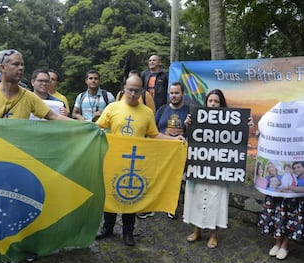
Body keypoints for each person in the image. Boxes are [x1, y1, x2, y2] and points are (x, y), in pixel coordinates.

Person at [94, 75, 184, 246]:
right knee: (111, 193)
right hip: (113, 160)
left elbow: (154, 134)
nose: (133, 94)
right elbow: (97, 128)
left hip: (135, 162)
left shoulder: (147, 113)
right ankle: (108, 228)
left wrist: (174, 140)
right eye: (130, 90)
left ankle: (128, 232)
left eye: (137, 90)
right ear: (124, 88)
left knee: (131, 196)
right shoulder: (112, 108)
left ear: (142, 91)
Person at [183, 89, 254, 249]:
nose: (213, 104)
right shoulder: (197, 118)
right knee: (197, 199)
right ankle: (197, 230)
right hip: (200, 168)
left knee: (217, 201)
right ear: (206, 103)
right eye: (210, 101)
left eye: (216, 101)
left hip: (219, 170)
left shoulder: (229, 121)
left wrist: (245, 125)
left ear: (221, 104)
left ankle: (214, 234)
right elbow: (192, 139)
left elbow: (237, 140)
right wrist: (189, 124)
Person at [151, 81, 190, 219]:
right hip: (162, 152)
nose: (174, 96)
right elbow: (153, 129)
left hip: (179, 154)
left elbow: (194, 133)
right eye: (172, 93)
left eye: (177, 93)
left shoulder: (189, 111)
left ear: (182, 94)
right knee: (158, 179)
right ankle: (153, 206)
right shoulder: (162, 109)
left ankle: (171, 207)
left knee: (176, 181)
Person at [259, 160, 304, 260]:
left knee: (291, 222)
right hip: (282, 199)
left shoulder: (297, 178)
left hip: (296, 202)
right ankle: (277, 243)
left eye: (299, 167)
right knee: (279, 220)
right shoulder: (286, 176)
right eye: (295, 167)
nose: (296, 169)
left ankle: (284, 246)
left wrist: (289, 187)